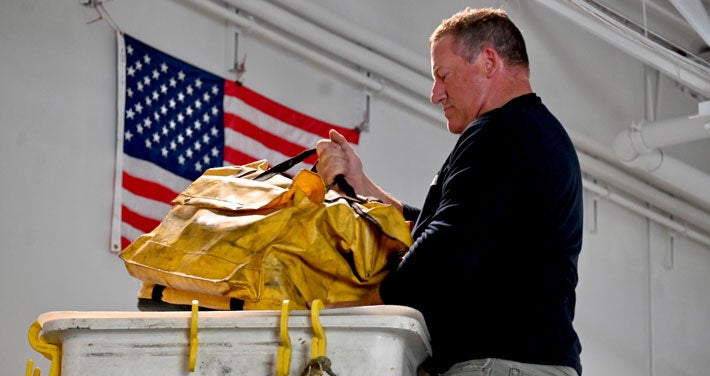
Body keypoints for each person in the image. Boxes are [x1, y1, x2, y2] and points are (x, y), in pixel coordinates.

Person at [315, 7, 583, 376]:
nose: (435, 94)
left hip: (498, 366)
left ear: (488, 62)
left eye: (443, 76)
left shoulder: (501, 131)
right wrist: (361, 186)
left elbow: (445, 247)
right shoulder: (531, 134)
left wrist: (365, 310)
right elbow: (441, 229)